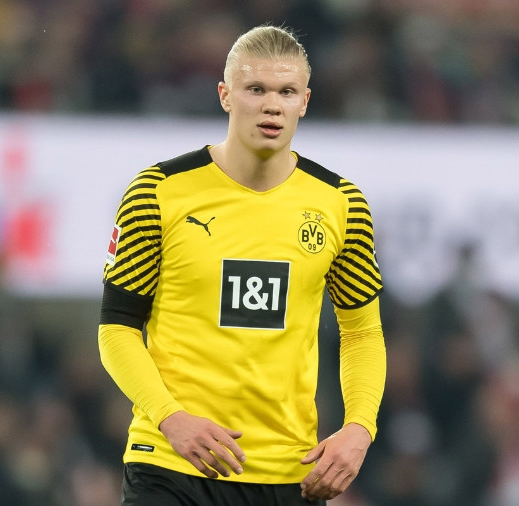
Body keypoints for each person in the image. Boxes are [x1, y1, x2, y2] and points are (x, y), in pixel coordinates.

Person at [98, 24, 386, 505]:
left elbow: (362, 333)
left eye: (286, 92)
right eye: (256, 89)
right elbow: (117, 329)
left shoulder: (341, 204)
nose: (272, 105)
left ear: (304, 102)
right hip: (170, 463)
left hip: (288, 473)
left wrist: (360, 427)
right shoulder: (158, 192)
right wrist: (170, 417)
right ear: (225, 95)